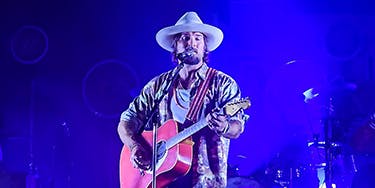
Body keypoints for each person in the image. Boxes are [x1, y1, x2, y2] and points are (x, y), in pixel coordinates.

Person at [117, 11, 248, 188]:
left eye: (197, 38)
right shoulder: (158, 85)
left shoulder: (222, 83)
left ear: (204, 46)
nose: (191, 43)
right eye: (185, 38)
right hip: (162, 180)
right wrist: (135, 147)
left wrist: (224, 126)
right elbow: (127, 121)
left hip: (203, 180)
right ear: (175, 46)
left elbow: (237, 128)